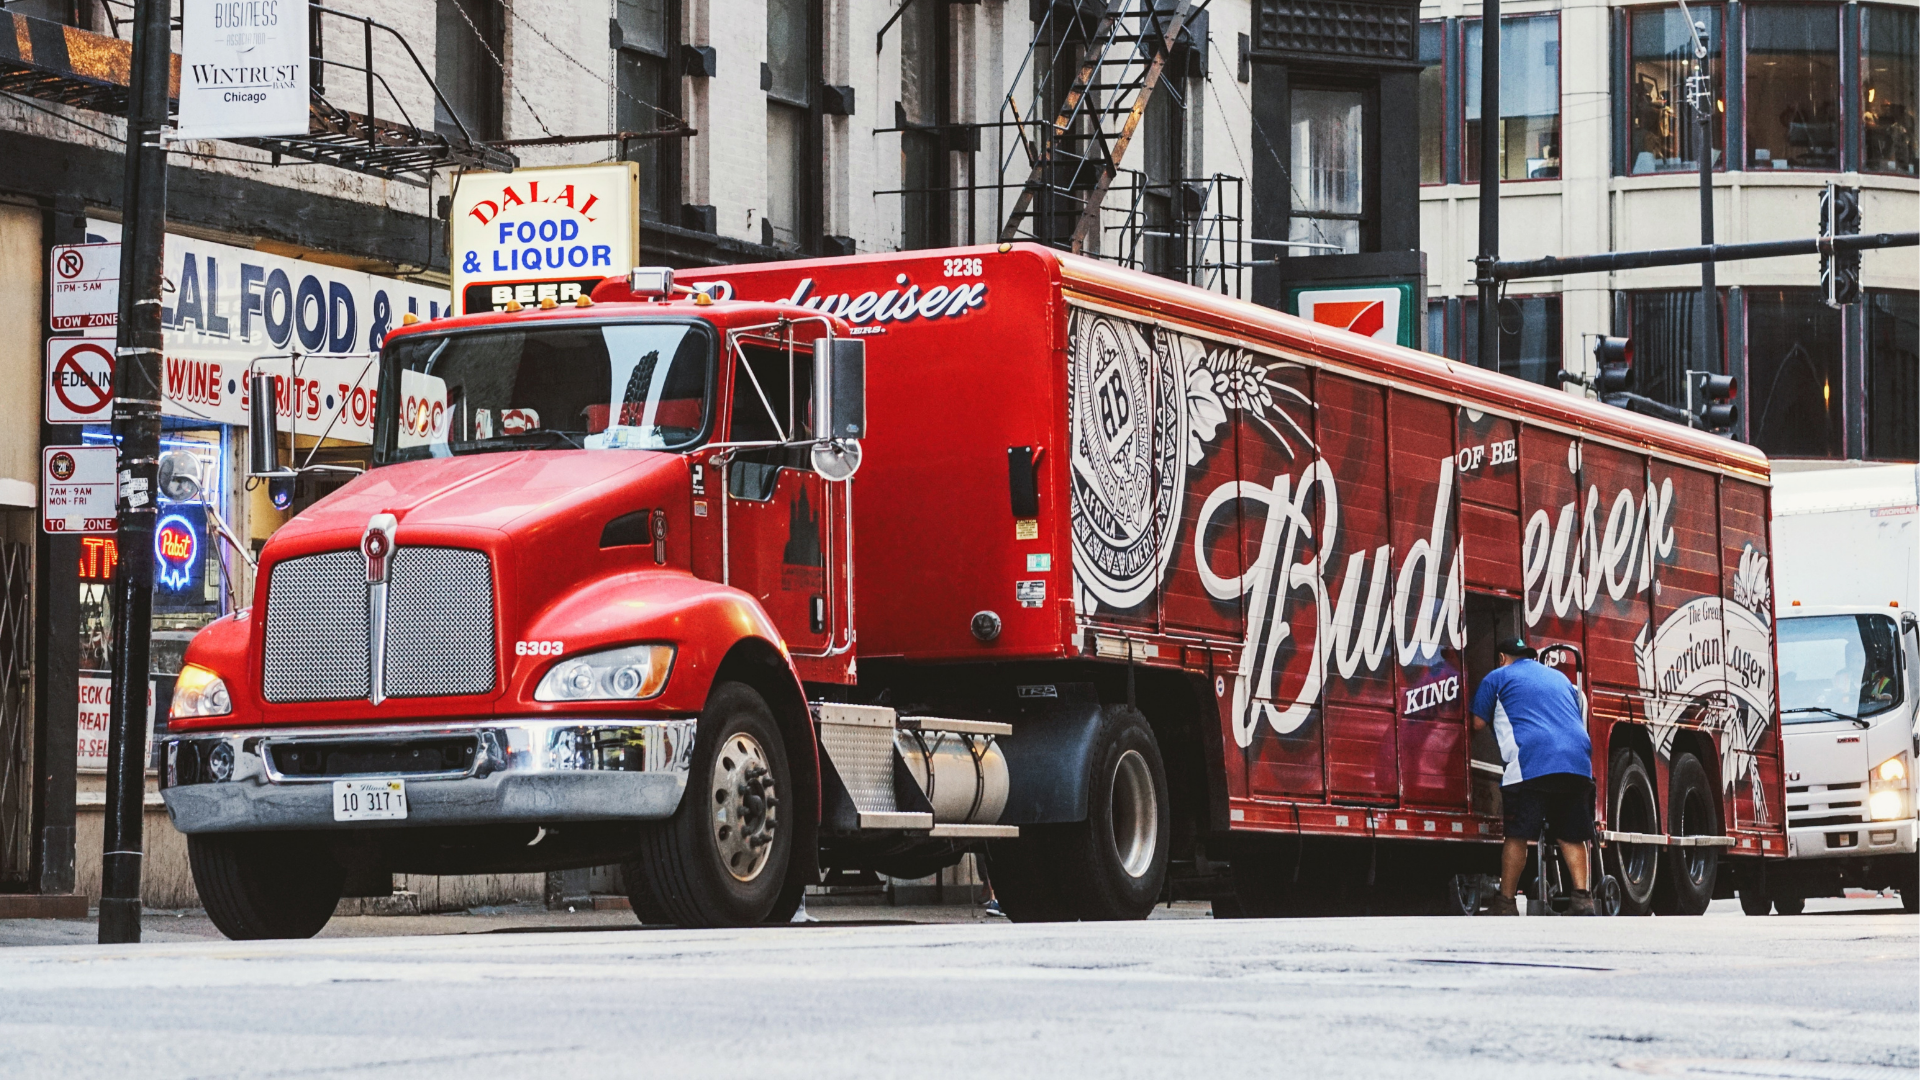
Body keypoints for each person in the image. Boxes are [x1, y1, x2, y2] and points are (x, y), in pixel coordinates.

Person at [1470, 637, 1596, 916]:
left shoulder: (1497, 677)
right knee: (1571, 835)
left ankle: (1505, 902)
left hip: (1531, 763)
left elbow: (1477, 722)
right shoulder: (1560, 678)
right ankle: (1583, 900)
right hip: (1577, 762)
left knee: (1517, 835)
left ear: (1501, 658)